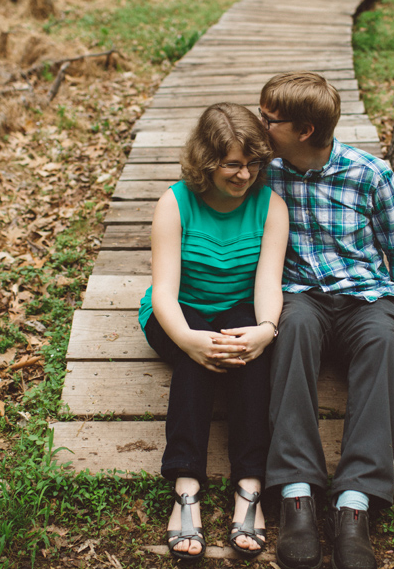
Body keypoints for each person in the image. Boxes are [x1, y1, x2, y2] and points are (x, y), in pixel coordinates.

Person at [257, 72, 394, 569]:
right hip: (300, 294)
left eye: (270, 120)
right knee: (293, 332)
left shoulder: (368, 174)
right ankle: (297, 493)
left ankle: (355, 501)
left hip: (364, 296)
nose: (261, 124)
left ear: (304, 130)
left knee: (381, 342)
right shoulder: (265, 170)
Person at [138, 102, 289, 562]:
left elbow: (267, 282)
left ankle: (249, 485)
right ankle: (186, 485)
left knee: (246, 352)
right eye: (232, 164)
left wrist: (266, 329)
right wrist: (186, 337)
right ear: (207, 161)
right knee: (196, 358)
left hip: (241, 308)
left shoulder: (270, 205)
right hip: (177, 311)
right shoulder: (175, 202)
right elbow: (164, 289)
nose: (245, 175)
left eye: (253, 163)